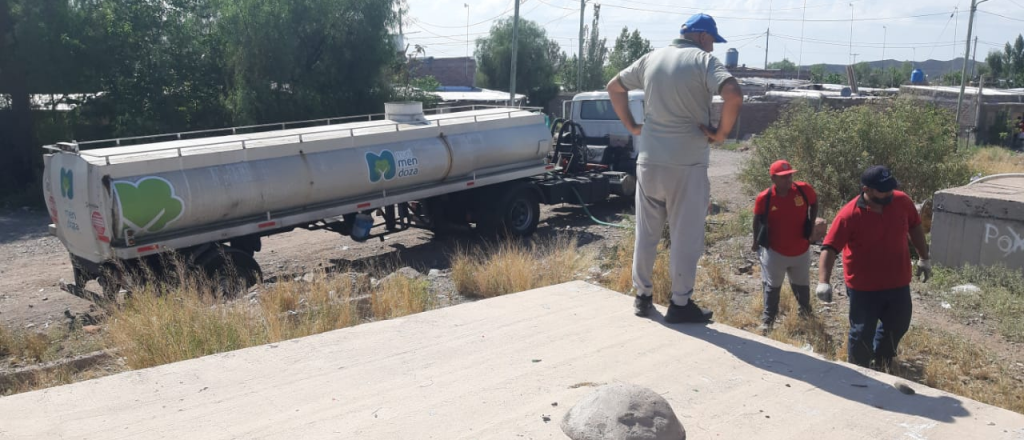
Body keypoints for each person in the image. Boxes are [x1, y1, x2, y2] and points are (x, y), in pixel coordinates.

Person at [606, 13, 743, 323]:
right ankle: (680, 304)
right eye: (711, 42)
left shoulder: (650, 58)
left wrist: (631, 125)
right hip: (687, 164)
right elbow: (733, 93)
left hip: (649, 161)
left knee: (646, 232)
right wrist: (720, 134)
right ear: (704, 37)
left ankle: (642, 297)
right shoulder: (702, 61)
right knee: (686, 235)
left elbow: (614, 86)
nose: (711, 48)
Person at [817, 165, 932, 369]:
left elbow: (915, 226)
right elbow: (830, 248)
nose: (889, 193)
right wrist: (823, 282)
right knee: (862, 332)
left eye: (890, 187)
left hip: (897, 282)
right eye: (882, 189)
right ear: (866, 189)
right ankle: (858, 370)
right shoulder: (849, 215)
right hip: (864, 288)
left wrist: (924, 258)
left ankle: (882, 361)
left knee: (898, 325)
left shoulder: (901, 201)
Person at [751, 160, 818, 332]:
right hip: (775, 252)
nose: (788, 180)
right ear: (773, 178)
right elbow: (757, 219)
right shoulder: (765, 198)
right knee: (772, 286)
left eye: (790, 175)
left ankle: (805, 314)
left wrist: (811, 225)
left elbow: (814, 203)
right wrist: (755, 241)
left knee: (802, 284)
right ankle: (768, 320)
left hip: (801, 250)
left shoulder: (803, 190)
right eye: (783, 177)